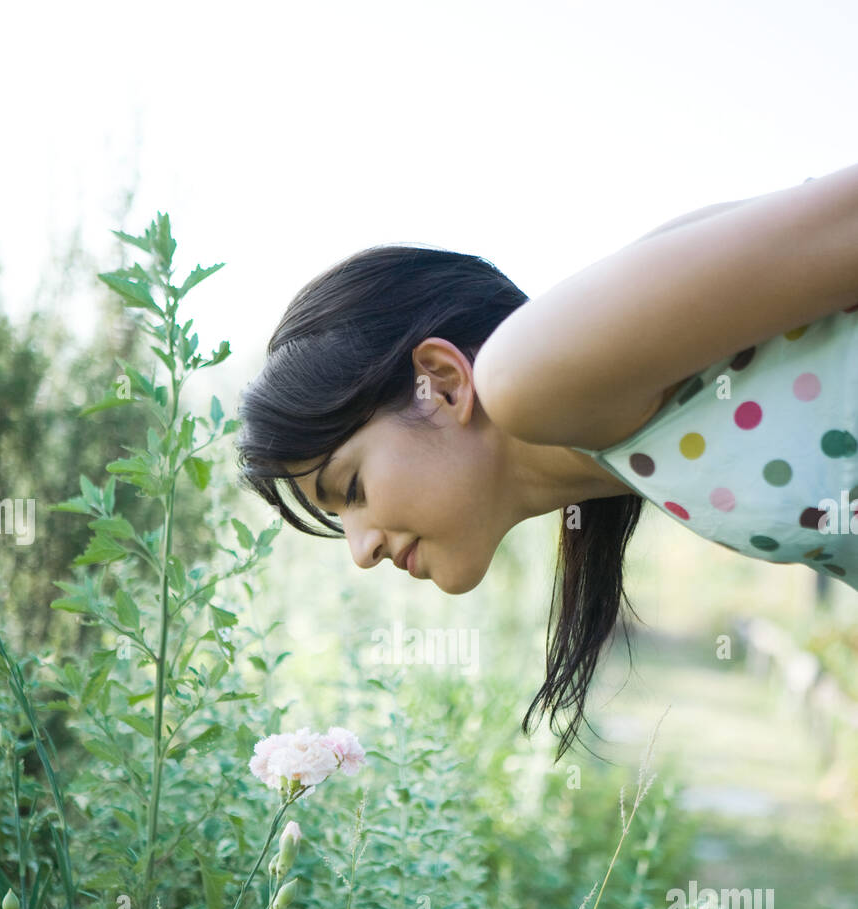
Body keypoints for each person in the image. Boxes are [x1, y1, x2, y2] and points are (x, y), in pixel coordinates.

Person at [235, 165, 858, 760]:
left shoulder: (525, 371)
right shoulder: (618, 440)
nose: (359, 550)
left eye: (351, 487)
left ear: (445, 384)